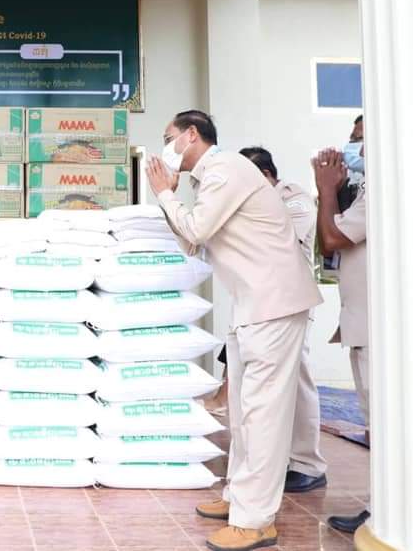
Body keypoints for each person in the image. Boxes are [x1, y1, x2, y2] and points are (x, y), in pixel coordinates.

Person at [145, 110, 322, 551]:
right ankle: (238, 498)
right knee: (243, 413)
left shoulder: (225, 168)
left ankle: (255, 521)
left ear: (191, 135)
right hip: (253, 305)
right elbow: (193, 241)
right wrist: (170, 197)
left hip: (273, 304)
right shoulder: (210, 178)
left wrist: (164, 193)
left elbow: (197, 228)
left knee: (262, 416)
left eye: (169, 137)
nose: (166, 147)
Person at [238, 147, 328, 494]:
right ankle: (281, 459)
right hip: (263, 304)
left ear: (265, 175)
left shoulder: (294, 199)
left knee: (299, 382)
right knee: (267, 389)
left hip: (292, 303)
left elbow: (277, 242)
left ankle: (308, 464)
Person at [313, 126, 370, 534]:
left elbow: (332, 238)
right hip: (362, 322)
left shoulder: (384, 190)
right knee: (375, 421)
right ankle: (382, 505)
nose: (350, 147)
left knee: (385, 422)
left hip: (377, 326)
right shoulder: (365, 189)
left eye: (359, 138)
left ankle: (389, 510)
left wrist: (326, 188)